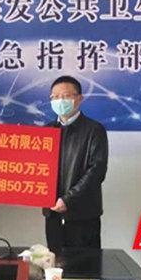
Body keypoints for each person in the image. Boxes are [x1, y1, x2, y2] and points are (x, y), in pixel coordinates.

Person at [44, 75, 108, 252]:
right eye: (55, 97)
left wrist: (68, 200)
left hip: (83, 215)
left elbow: (96, 171)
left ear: (79, 99)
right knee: (55, 262)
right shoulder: (46, 131)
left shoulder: (94, 130)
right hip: (53, 215)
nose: (60, 101)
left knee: (84, 264)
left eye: (66, 96)